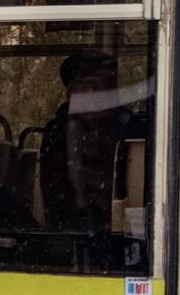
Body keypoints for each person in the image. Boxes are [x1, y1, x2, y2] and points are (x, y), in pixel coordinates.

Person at [37, 48, 141, 233]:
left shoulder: (132, 127)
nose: (101, 95)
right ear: (71, 95)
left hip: (125, 228)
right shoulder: (58, 132)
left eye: (109, 85)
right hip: (75, 231)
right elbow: (54, 194)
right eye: (90, 86)